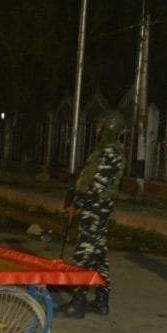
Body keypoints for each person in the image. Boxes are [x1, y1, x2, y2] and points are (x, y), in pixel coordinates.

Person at [56, 109, 128, 319]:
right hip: (99, 208)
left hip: (96, 210)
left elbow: (96, 186)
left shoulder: (109, 153)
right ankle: (101, 301)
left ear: (108, 128)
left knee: (83, 255)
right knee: (99, 257)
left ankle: (77, 303)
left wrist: (77, 206)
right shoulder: (109, 150)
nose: (97, 129)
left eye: (101, 126)